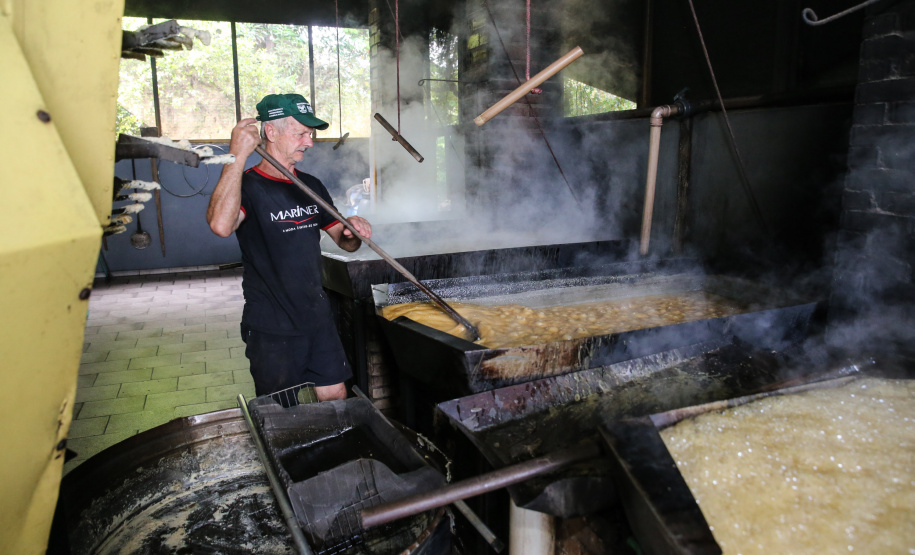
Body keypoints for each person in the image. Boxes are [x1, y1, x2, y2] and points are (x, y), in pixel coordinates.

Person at [207, 93, 372, 401]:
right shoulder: (249, 187)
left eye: (310, 134)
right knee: (281, 413)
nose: (309, 142)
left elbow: (344, 242)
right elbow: (220, 225)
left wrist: (354, 231)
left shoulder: (311, 186)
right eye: (301, 133)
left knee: (336, 396)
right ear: (271, 132)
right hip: (272, 326)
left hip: (317, 317)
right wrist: (236, 157)